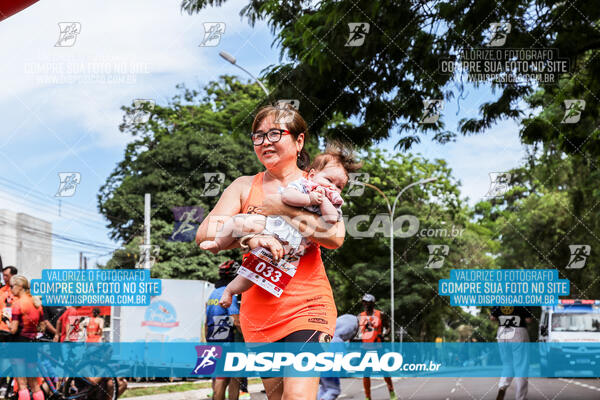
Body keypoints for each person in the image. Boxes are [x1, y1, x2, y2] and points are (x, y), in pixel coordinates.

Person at [196, 103, 357, 400]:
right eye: (258, 136)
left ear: (298, 141)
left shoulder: (315, 184)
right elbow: (205, 233)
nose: (264, 142)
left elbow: (335, 236)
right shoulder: (244, 187)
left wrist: (281, 208)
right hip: (259, 313)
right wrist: (249, 236)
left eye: (274, 133)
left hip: (309, 306)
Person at [213, 149, 352, 308]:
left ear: (299, 142)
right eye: (329, 180)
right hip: (272, 228)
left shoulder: (333, 202)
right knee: (239, 223)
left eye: (339, 186)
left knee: (253, 272)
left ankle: (229, 291)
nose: (333, 187)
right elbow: (288, 197)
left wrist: (322, 201)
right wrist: (251, 239)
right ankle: (219, 249)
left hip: (292, 251)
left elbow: (333, 225)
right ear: (312, 175)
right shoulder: (303, 185)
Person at [206, 260, 242, 400]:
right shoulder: (230, 293)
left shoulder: (213, 293)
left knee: (217, 377)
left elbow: (206, 318)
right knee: (233, 377)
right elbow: (236, 320)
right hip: (227, 340)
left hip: (212, 338)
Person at [8, 275, 46, 400]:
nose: (10, 289)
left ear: (19, 287)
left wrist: (7, 322)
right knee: (34, 384)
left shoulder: (17, 304)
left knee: (22, 384)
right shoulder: (37, 304)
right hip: (32, 344)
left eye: (12, 286)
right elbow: (42, 328)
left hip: (19, 344)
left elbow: (13, 330)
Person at [358, 294, 396, 400]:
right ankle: (367, 397)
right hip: (365, 348)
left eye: (368, 302)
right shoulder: (360, 316)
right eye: (364, 302)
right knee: (366, 374)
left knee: (384, 371)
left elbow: (388, 328)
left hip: (378, 347)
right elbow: (356, 331)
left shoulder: (381, 314)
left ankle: (392, 391)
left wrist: (383, 335)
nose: (365, 304)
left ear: (373, 303)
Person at [490, 306, 532, 400]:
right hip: (518, 331)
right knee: (521, 366)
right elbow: (529, 320)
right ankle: (520, 397)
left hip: (502, 332)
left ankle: (502, 387)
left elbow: (492, 317)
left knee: (507, 363)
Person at [317, 314, 359, 400]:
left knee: (324, 388)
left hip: (319, 368)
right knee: (333, 390)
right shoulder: (337, 341)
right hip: (329, 370)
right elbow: (344, 360)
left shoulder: (325, 336)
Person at [0, 266, 18, 338]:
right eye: (3, 275)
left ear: (14, 276)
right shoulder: (1, 290)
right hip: (2, 329)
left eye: (6, 275)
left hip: (13, 329)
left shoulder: (19, 291)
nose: (4, 278)